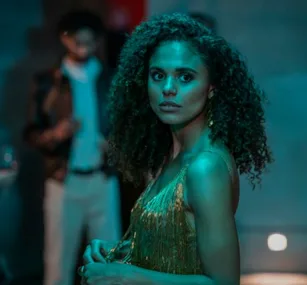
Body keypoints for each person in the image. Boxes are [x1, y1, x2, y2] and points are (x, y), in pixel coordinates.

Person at [80, 13, 272, 285]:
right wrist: (118, 252)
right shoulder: (176, 155)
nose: (168, 89)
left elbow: (224, 282)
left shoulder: (205, 168)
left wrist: (124, 275)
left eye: (185, 77)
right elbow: (175, 249)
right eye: (158, 75)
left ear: (212, 87)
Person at [24, 10, 122, 285]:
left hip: (102, 179)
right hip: (63, 180)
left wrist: (114, 145)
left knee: (110, 263)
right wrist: (56, 134)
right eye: (77, 41)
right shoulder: (49, 82)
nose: (83, 47)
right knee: (58, 264)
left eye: (89, 41)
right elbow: (31, 133)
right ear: (64, 40)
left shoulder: (109, 79)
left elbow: (126, 128)